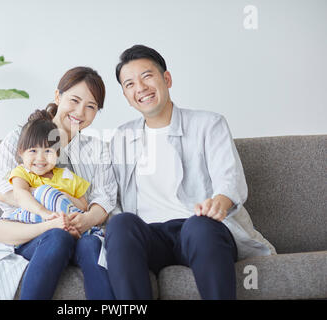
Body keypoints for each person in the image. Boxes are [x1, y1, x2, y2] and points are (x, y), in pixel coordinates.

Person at [106, 45, 276, 300]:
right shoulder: (121, 137)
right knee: (120, 223)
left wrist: (219, 202)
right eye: (129, 84)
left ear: (167, 79)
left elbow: (229, 178)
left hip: (199, 231)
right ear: (126, 95)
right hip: (150, 237)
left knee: (200, 226)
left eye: (147, 76)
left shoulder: (208, 124)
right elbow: (111, 197)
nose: (140, 87)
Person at [0, 66, 116, 300]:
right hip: (29, 232)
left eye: (91, 106)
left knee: (91, 247)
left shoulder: (97, 149)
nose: (80, 112)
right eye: (74, 100)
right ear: (58, 97)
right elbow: (3, 188)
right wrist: (52, 208)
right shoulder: (21, 136)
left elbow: (104, 197)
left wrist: (84, 220)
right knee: (58, 236)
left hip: (82, 230)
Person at [3, 108, 102, 238]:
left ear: (57, 154)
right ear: (21, 152)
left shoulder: (67, 176)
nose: (40, 158)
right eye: (33, 151)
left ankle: (70, 230)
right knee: (44, 192)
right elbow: (20, 195)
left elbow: (83, 206)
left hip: (66, 221)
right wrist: (45, 213)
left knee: (56, 198)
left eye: (48, 151)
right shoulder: (22, 173)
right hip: (38, 225)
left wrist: (62, 195)